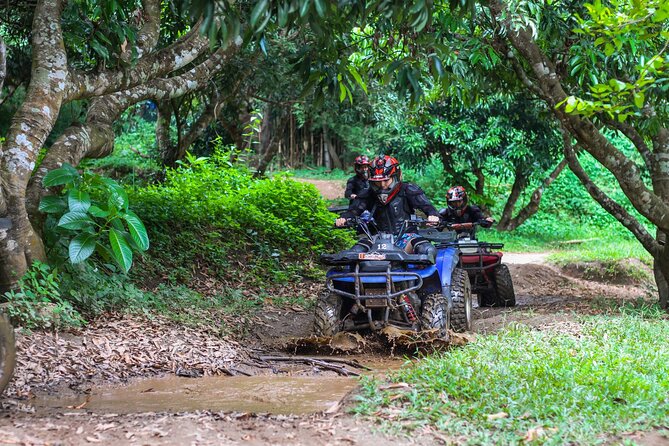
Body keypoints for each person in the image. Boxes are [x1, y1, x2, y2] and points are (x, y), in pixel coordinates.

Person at [336, 155, 440, 257]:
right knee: (355, 251)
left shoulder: (408, 189)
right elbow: (353, 210)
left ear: (396, 176)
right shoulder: (367, 193)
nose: (382, 185)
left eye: (386, 180)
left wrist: (432, 215)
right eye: (378, 182)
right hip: (378, 238)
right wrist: (344, 218)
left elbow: (428, 207)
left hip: (407, 237)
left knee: (427, 249)